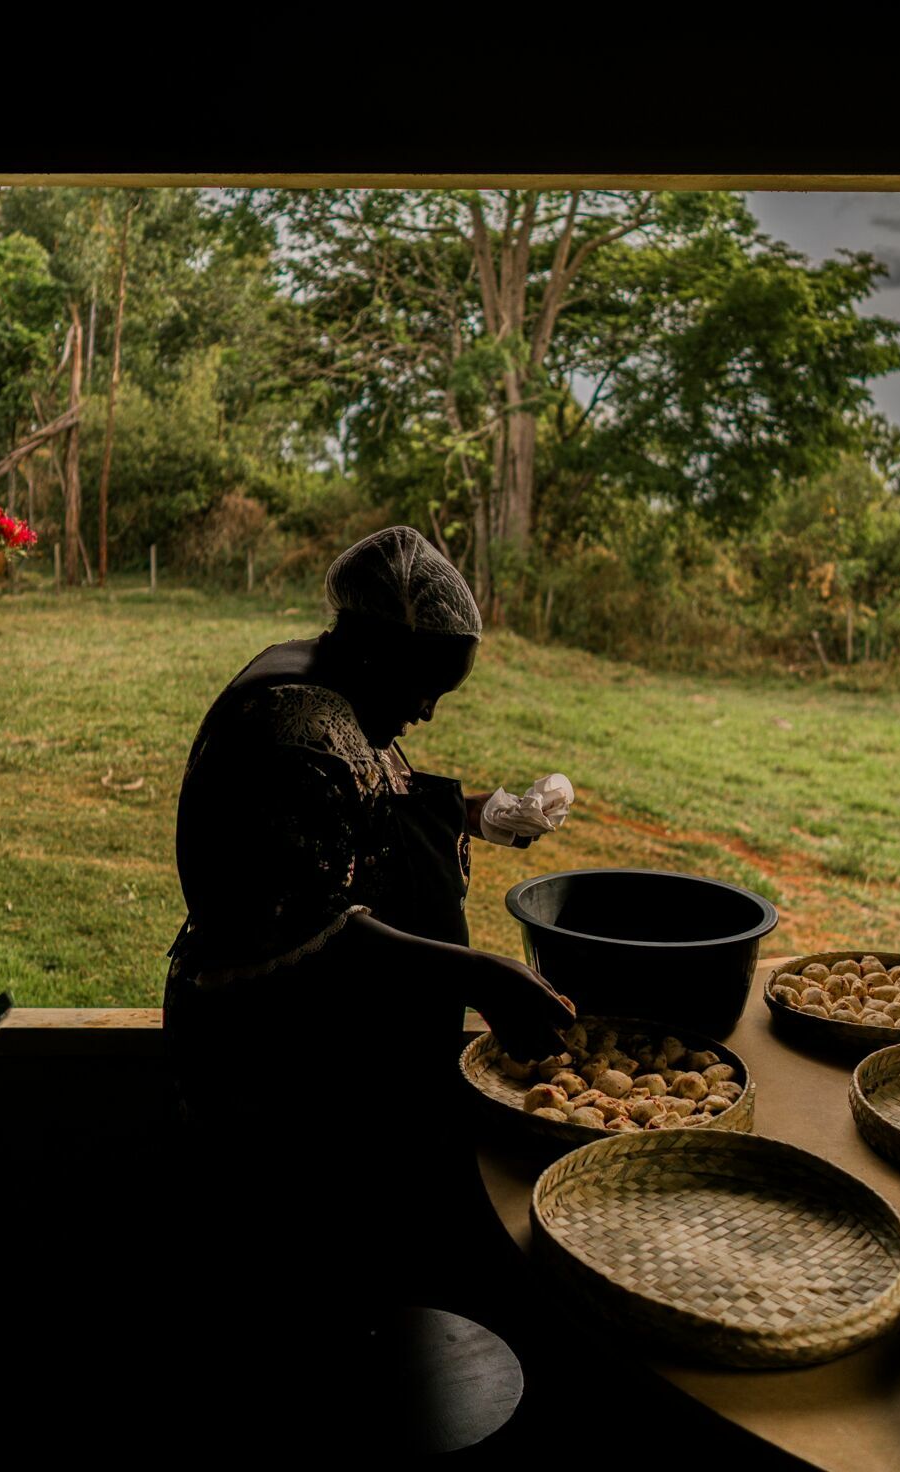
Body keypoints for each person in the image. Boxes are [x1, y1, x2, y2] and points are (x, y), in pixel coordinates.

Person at [162, 525, 574, 1334]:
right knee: (296, 1282)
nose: (424, 710)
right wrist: (479, 974)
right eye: (425, 686)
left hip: (306, 1044)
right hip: (266, 1055)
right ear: (373, 650)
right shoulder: (294, 731)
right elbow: (315, 931)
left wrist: (481, 814)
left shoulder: (327, 679)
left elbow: (359, 807)